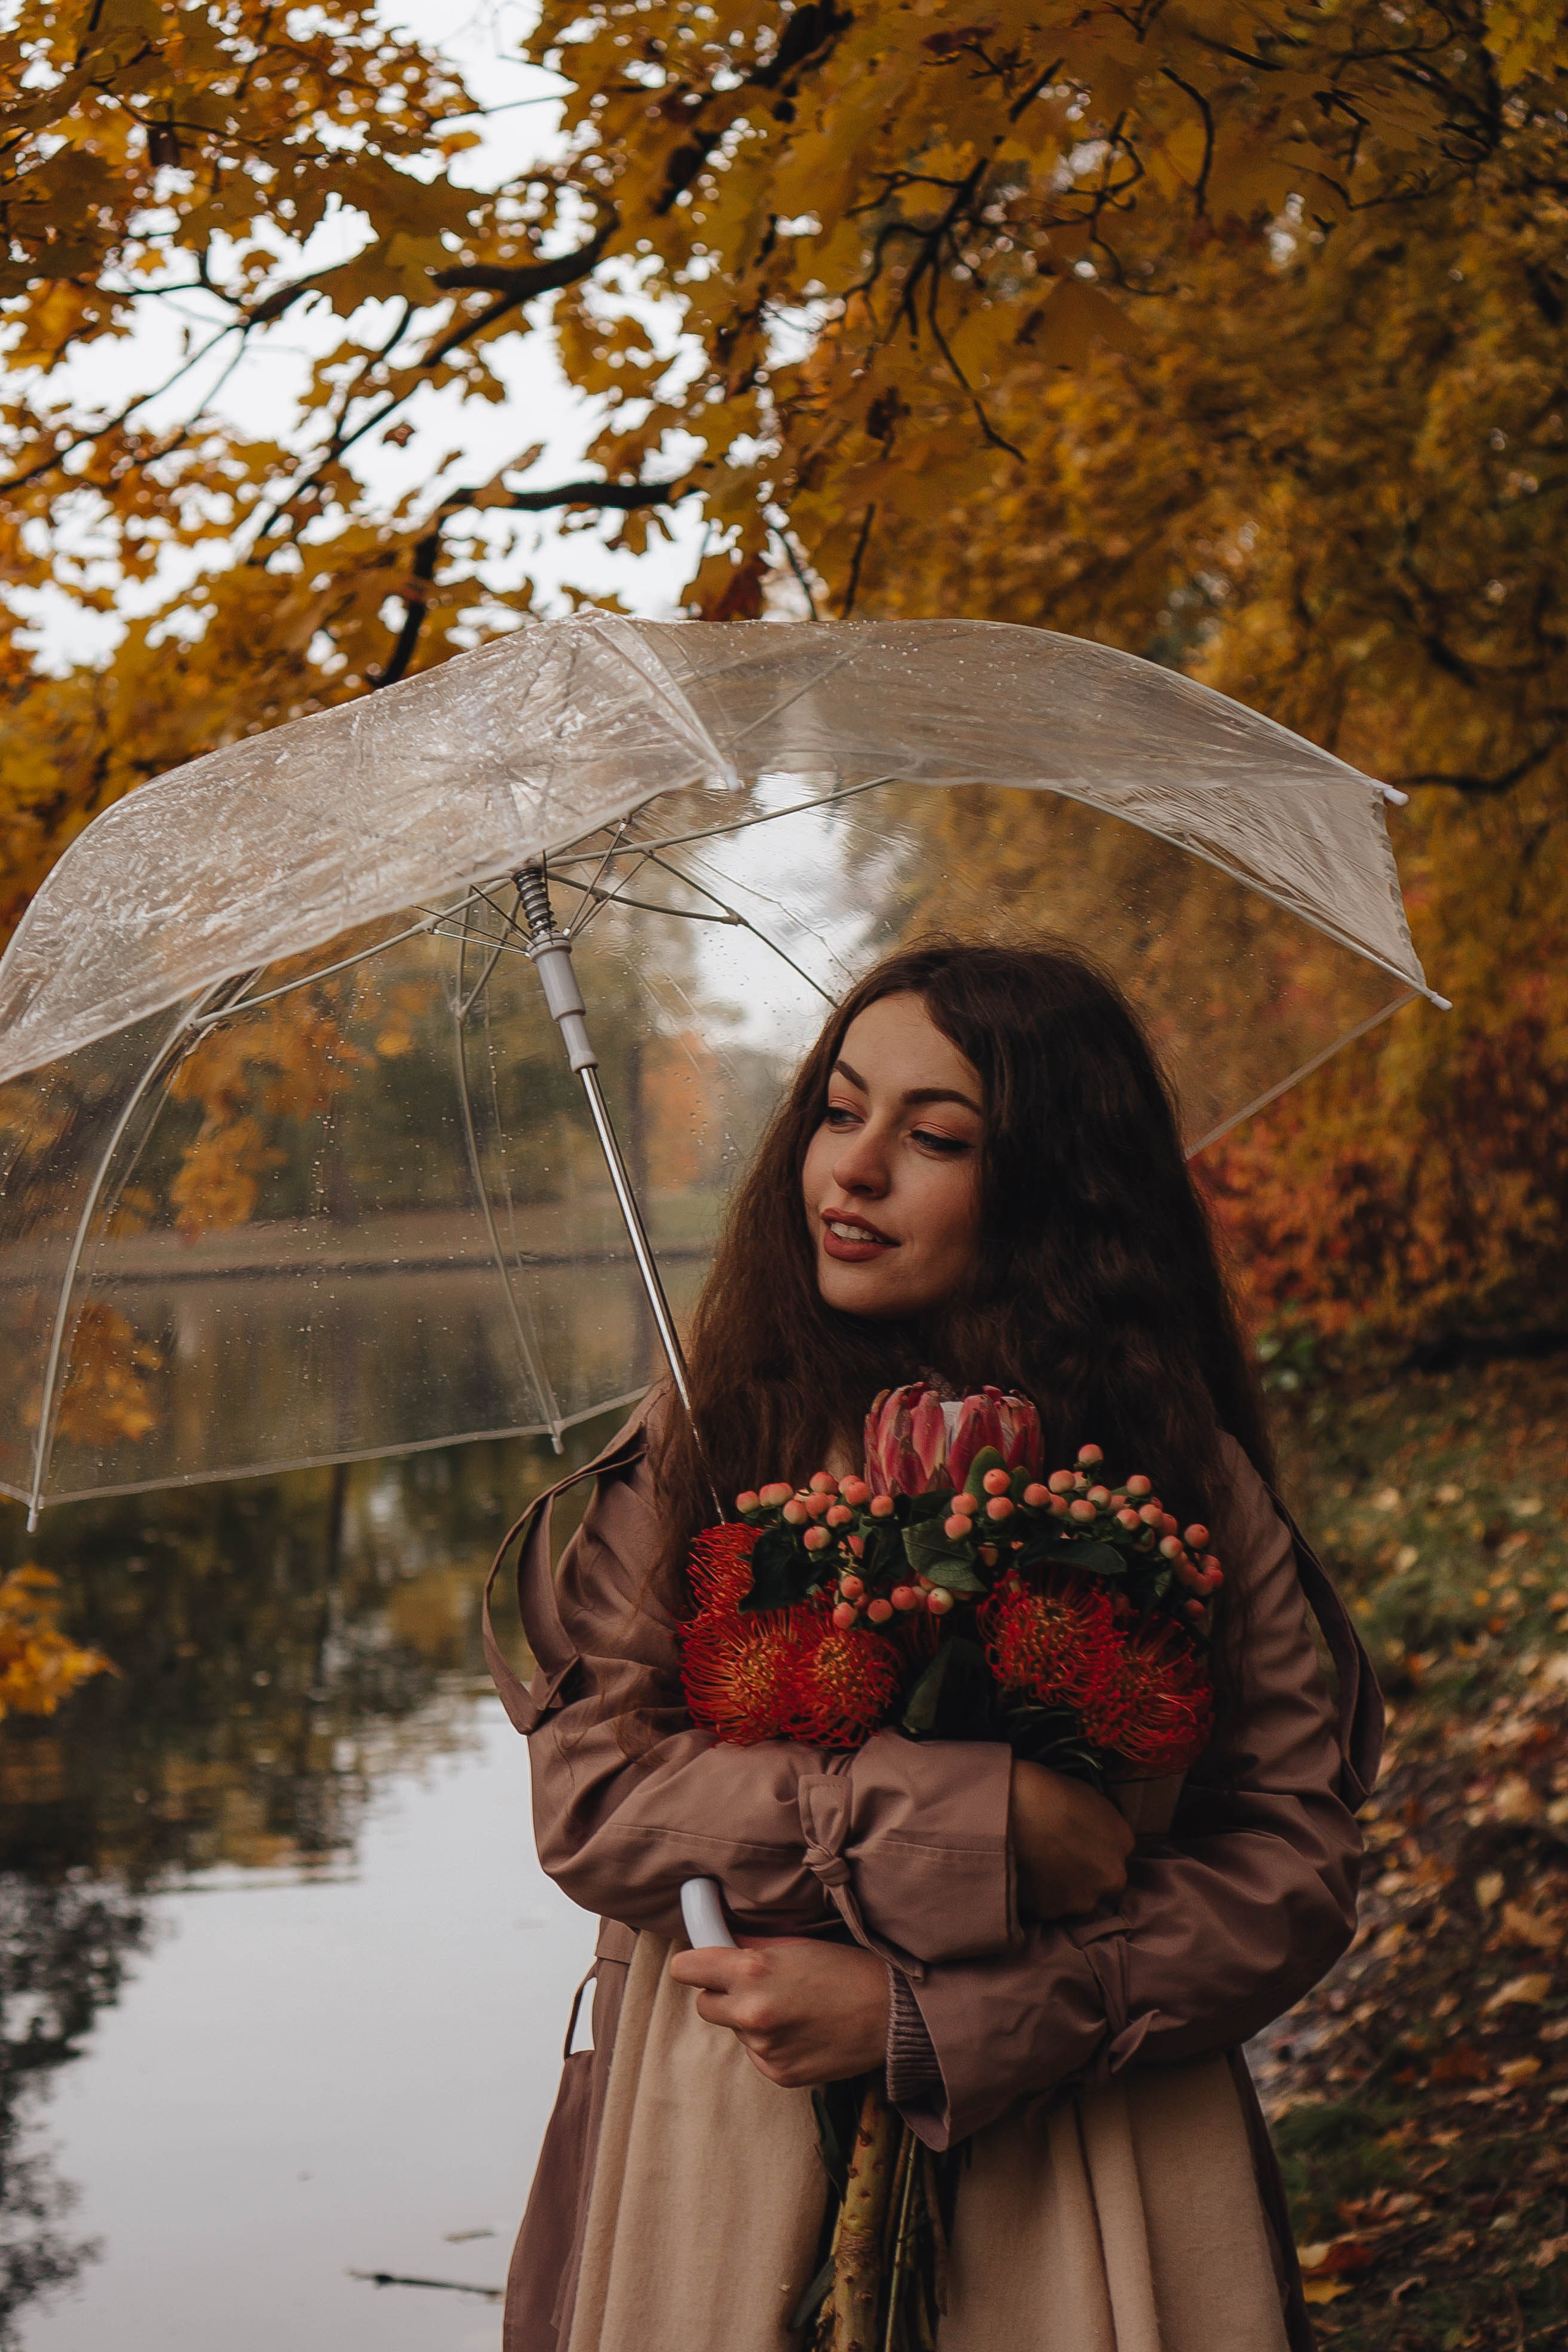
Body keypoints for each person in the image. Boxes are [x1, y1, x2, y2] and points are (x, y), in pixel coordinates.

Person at [484, 941, 1381, 2352]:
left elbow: (1290, 1862)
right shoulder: (703, 1440)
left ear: (1048, 1189)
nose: (852, 1171)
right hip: (731, 2134)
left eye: (935, 1136)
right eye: (838, 1114)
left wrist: (933, 2025)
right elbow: (595, 1801)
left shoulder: (1173, 1471)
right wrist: (976, 1820)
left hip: (1086, 2160)